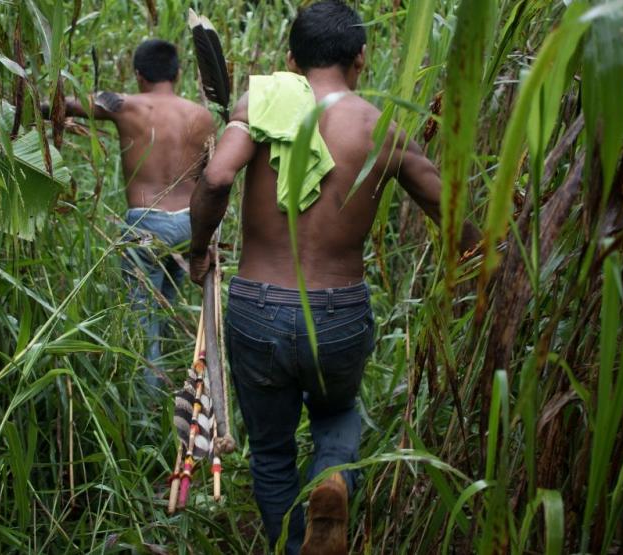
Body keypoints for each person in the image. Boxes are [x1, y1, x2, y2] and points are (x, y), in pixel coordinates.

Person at [187, 2, 479, 553]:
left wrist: (199, 249)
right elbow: (455, 217)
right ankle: (333, 478)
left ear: (292, 59)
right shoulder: (380, 127)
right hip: (339, 312)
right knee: (338, 413)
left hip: (257, 308)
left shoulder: (262, 106)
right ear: (361, 58)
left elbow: (219, 175)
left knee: (271, 452)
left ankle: (291, 547)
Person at [49, 39, 216, 390]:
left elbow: (64, 105)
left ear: (138, 75)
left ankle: (149, 403)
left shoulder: (126, 106)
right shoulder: (201, 117)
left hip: (146, 225)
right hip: (189, 224)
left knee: (141, 321)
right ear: (178, 73)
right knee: (164, 308)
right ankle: (176, 389)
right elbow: (208, 178)